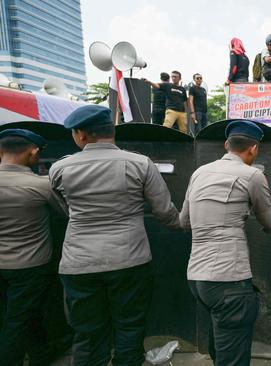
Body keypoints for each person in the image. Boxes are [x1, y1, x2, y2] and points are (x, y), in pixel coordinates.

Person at [49, 105, 181, 365]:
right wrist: (187, 225)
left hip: (79, 263)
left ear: (81, 135)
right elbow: (165, 212)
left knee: (87, 335)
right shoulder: (140, 163)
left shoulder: (59, 169)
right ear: (112, 132)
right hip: (130, 260)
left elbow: (63, 209)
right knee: (129, 329)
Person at [180, 120, 271, 366]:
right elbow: (269, 224)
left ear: (227, 145)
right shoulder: (253, 175)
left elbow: (185, 221)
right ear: (253, 149)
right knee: (233, 357)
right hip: (229, 281)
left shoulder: (199, 173)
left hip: (198, 278)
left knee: (221, 343)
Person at [0, 129, 67, 366]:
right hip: (30, 267)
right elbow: (66, 213)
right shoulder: (41, 185)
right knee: (18, 321)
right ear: (34, 152)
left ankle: (40, 354)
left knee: (24, 316)